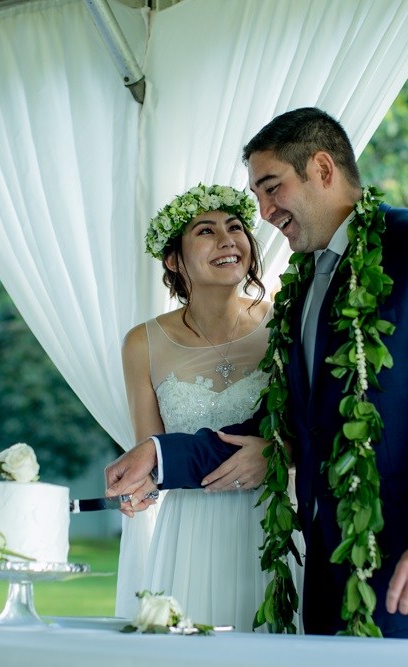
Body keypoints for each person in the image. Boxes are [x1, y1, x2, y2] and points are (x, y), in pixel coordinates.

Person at [106, 108, 408, 640]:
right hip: (328, 571)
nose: (262, 213)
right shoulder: (306, 282)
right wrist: (161, 454)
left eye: (271, 188)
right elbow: (281, 420)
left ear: (323, 169)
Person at [120, 183, 301, 632]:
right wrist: (137, 486)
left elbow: (307, 421)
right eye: (206, 231)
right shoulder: (142, 342)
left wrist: (279, 452)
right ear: (174, 260)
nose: (227, 239)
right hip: (191, 532)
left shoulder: (284, 321)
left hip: (275, 521)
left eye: (235, 227)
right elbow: (152, 450)